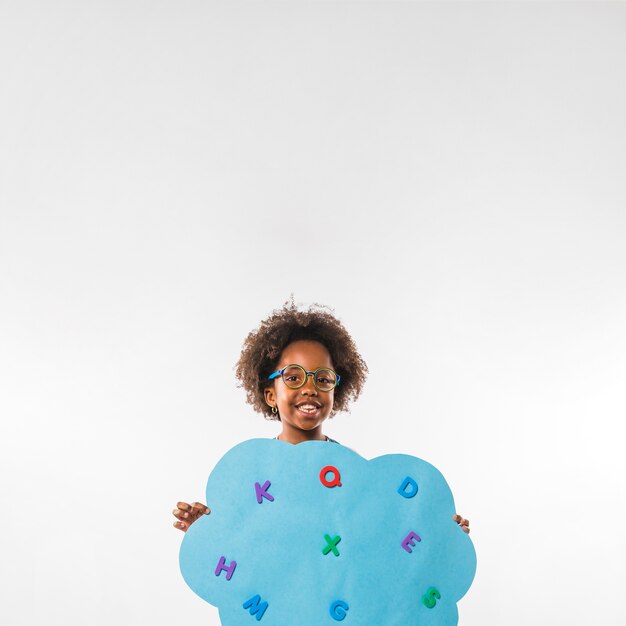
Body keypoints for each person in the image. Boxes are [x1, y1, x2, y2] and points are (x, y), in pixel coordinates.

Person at [172, 300, 470, 534]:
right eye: (293, 377)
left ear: (336, 390)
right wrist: (205, 531)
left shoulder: (350, 468)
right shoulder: (253, 472)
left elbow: (382, 534)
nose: (310, 389)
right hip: (279, 608)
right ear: (270, 394)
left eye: (323, 379)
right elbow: (241, 540)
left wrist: (440, 534)